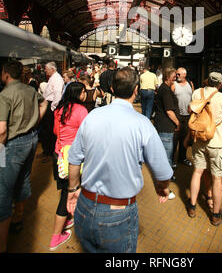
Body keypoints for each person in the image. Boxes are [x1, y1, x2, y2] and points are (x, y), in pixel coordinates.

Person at [66, 67, 173, 253]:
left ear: (113, 89)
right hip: (119, 212)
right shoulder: (142, 124)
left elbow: (74, 159)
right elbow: (163, 172)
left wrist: (73, 189)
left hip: (85, 205)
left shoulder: (92, 117)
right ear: (136, 90)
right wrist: (162, 187)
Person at [0, 61, 48, 253]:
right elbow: (44, 102)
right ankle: (18, 219)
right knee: (24, 178)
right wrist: (35, 121)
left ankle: (2, 245)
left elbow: (2, 130)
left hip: (11, 145)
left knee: (3, 190)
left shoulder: (4, 95)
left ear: (5, 74)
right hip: (31, 140)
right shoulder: (30, 89)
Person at [185, 72, 222, 225]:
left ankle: (192, 206)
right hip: (217, 143)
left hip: (199, 139)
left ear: (207, 81)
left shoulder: (196, 93)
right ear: (220, 84)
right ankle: (215, 215)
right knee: (217, 179)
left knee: (197, 172)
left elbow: (190, 110)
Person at [50, 82, 88, 251]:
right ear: (78, 94)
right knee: (70, 193)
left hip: (58, 155)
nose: (86, 94)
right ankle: (56, 236)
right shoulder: (81, 111)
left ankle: (68, 217)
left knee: (65, 191)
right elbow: (87, 135)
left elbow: (55, 132)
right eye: (84, 92)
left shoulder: (59, 109)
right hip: (73, 160)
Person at [154, 67, 180, 198]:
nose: (176, 77)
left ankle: (164, 181)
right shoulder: (165, 91)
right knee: (166, 159)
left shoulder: (165, 89)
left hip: (163, 126)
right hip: (166, 127)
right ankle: (164, 188)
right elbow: (169, 111)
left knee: (165, 157)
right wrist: (177, 122)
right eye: (174, 76)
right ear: (167, 77)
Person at [37, 62, 64, 162]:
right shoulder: (53, 78)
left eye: (46, 69)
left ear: (52, 69)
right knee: (45, 129)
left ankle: (50, 153)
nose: (45, 71)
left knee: (50, 130)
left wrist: (52, 108)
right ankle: (46, 151)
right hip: (48, 104)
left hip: (51, 105)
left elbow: (57, 95)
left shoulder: (57, 79)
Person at [172, 67, 193, 168]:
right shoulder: (174, 85)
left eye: (179, 74)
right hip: (177, 116)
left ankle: (182, 158)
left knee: (185, 138)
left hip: (187, 116)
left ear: (185, 74)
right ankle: (171, 160)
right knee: (174, 139)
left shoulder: (190, 83)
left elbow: (193, 97)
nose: (177, 76)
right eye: (176, 74)